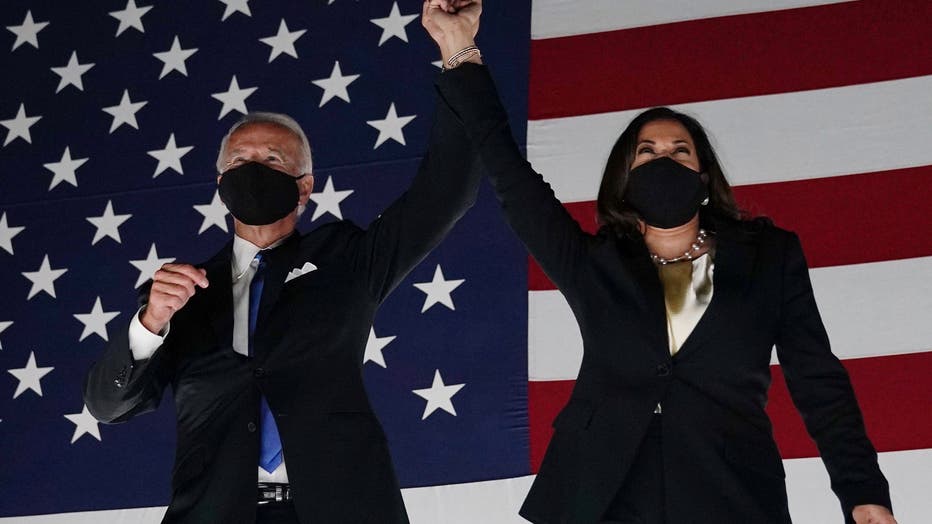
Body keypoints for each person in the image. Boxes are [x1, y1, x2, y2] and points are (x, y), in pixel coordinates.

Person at [423, 1, 897, 523]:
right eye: (646, 152)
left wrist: (863, 491)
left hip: (733, 495)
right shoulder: (593, 264)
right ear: (625, 178)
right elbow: (512, 178)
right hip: (599, 496)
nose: (663, 159)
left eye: (680, 150)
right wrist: (459, 48)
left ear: (702, 176)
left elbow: (819, 381)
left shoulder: (769, 258)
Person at [83, 89, 480, 521]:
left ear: (304, 187)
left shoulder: (345, 260)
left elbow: (448, 190)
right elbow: (107, 407)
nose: (252, 169)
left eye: (272, 160)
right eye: (238, 161)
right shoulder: (178, 295)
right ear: (220, 185)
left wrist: (458, 59)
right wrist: (151, 321)